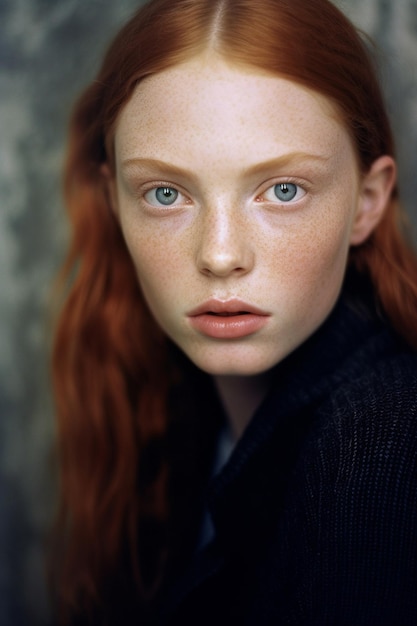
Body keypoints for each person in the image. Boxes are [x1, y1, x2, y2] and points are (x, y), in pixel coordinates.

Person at [51, 0, 417, 623]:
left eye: (283, 190)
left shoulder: (382, 450)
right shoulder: (168, 414)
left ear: (367, 201)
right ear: (114, 202)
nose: (220, 255)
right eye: (165, 193)